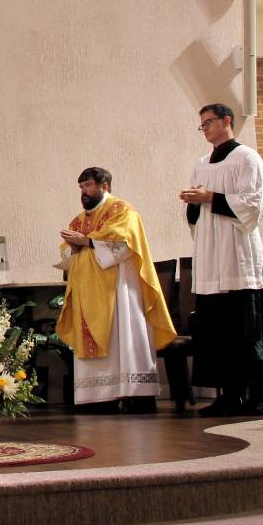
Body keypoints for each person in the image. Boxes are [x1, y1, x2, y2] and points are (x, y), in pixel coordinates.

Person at [180, 103, 263, 416]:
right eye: (202, 125)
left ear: (227, 121)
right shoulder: (201, 164)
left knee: (248, 329)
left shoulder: (247, 158)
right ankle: (229, 394)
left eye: (209, 122)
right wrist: (192, 202)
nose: (205, 129)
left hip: (239, 256)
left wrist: (209, 198)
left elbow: (252, 204)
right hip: (212, 258)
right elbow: (196, 217)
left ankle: (261, 394)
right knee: (218, 332)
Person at [56, 167, 176, 413]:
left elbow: (123, 245)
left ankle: (134, 394)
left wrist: (87, 241)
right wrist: (74, 247)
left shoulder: (122, 211)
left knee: (123, 336)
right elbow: (67, 252)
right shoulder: (79, 220)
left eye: (88, 185)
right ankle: (98, 396)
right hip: (87, 294)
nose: (83, 192)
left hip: (120, 292)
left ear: (105, 186)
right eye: (81, 187)